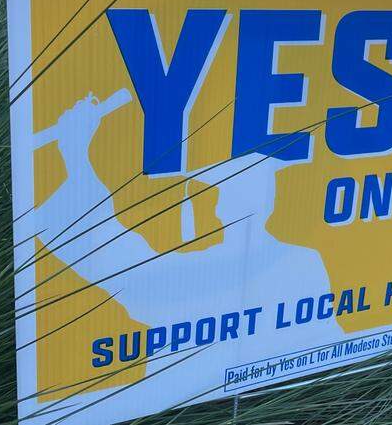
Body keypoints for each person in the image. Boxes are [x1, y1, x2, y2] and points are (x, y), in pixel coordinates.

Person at [33, 91, 340, 399]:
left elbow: (114, 259)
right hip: (273, 399)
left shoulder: (204, 273)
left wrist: (76, 155)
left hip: (185, 408)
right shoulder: (305, 263)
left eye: (207, 192)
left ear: (221, 206)